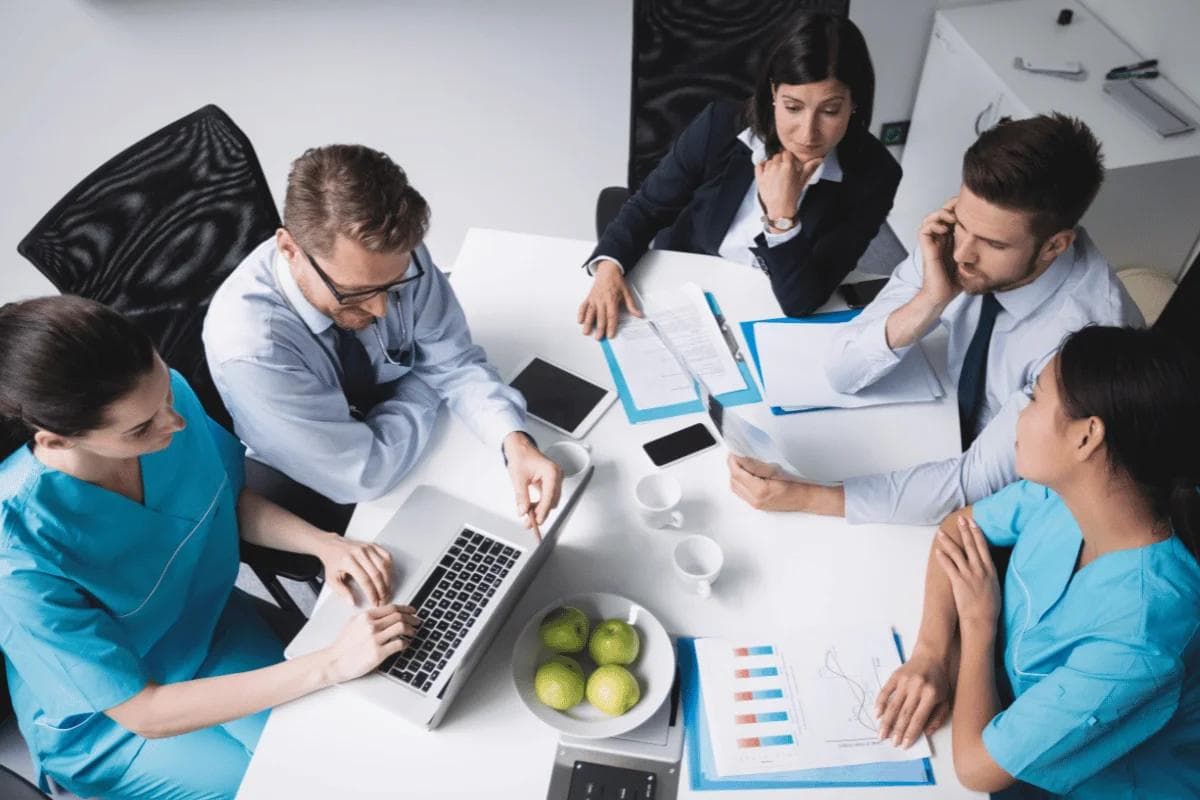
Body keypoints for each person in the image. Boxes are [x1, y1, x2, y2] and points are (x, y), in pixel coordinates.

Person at [0, 297, 420, 800]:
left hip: (210, 627)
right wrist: (332, 661)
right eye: (140, 428)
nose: (173, 424)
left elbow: (223, 496)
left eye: (164, 394)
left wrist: (325, 545)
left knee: (348, 744)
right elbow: (143, 711)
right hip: (114, 723)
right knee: (292, 785)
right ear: (56, 441)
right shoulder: (16, 549)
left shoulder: (164, 399)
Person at [727, 114, 1142, 524]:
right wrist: (929, 299)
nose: (963, 254)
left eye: (993, 244)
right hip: (933, 422)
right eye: (962, 223)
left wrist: (806, 496)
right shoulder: (956, 241)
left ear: (1055, 246)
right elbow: (843, 370)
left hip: (1020, 495)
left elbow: (975, 480)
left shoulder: (1086, 338)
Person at [874, 326, 1200, 798]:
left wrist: (978, 626)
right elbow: (958, 529)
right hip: (1012, 708)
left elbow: (978, 769)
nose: (1018, 417)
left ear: (1087, 437)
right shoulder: (1070, 490)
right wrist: (931, 654)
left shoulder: (1143, 637)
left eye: (1033, 399)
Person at [203, 144, 561, 533]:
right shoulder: (253, 351)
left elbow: (455, 362)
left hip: (404, 432)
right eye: (354, 292)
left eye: (393, 287)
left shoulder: (390, 254)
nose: (381, 310)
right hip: (321, 467)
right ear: (289, 249)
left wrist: (514, 441)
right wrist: (425, 379)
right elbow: (364, 474)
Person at [577, 12, 901, 336]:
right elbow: (648, 206)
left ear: (853, 103)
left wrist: (782, 216)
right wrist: (608, 267)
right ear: (774, 92)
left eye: (830, 111)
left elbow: (801, 301)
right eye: (793, 107)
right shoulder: (720, 125)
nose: (807, 132)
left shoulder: (875, 177)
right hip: (692, 280)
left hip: (771, 306)